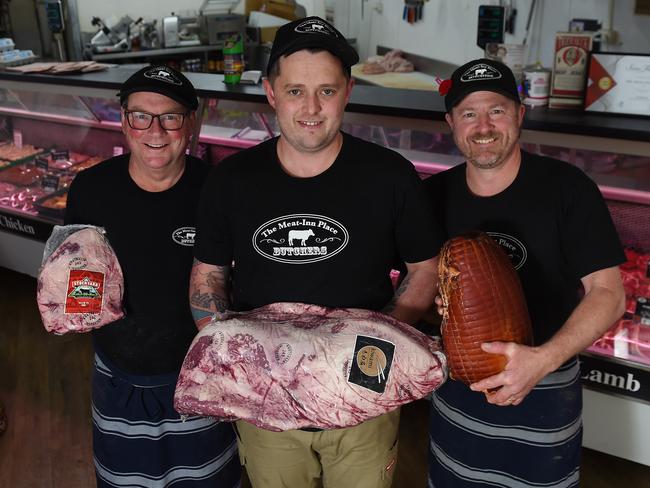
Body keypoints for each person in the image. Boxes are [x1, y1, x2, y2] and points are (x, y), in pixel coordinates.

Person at [189, 16, 442, 488]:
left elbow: (424, 269)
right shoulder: (232, 180)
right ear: (270, 92)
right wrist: (236, 359)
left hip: (366, 393)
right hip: (267, 403)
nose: (311, 107)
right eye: (295, 90)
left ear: (347, 91)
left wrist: (372, 354)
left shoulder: (390, 176)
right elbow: (208, 275)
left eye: (326, 91)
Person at [425, 58, 626, 487]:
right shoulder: (432, 195)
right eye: (469, 113)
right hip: (457, 389)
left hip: (546, 390)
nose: (484, 126)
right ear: (451, 122)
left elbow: (609, 295)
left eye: (496, 110)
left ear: (520, 114)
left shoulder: (568, 189)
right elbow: (415, 279)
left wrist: (540, 362)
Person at [64, 65, 240, 488]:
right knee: (124, 478)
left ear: (191, 123)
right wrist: (75, 309)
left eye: (170, 117)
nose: (155, 130)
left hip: (202, 373)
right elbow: (79, 273)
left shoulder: (219, 191)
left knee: (207, 478)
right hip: (118, 371)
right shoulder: (90, 189)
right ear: (125, 121)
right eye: (141, 116)